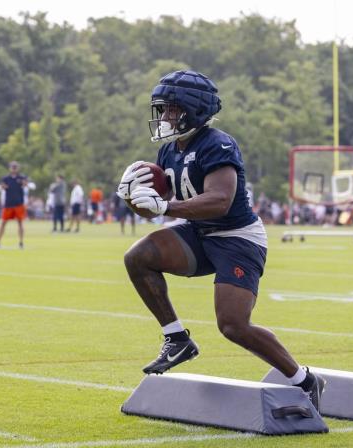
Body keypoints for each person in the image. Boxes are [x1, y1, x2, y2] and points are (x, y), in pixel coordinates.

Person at [117, 70, 325, 411]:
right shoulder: (169, 152)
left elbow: (219, 200)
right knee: (138, 257)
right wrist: (132, 199)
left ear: (192, 110)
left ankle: (304, 380)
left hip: (237, 239)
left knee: (233, 325)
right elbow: (159, 208)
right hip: (200, 234)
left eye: (171, 109)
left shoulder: (217, 143)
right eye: (163, 109)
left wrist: (165, 205)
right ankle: (176, 338)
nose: (165, 117)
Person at [0, 161, 29, 249]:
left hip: (18, 204)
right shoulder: (6, 179)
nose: (14, 169)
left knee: (20, 223)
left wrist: (25, 183)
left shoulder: (22, 178)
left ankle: (21, 242)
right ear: (9, 168)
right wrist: (2, 187)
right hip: (8, 204)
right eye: (12, 167)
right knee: (3, 223)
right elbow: (2, 186)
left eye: (15, 167)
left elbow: (26, 185)